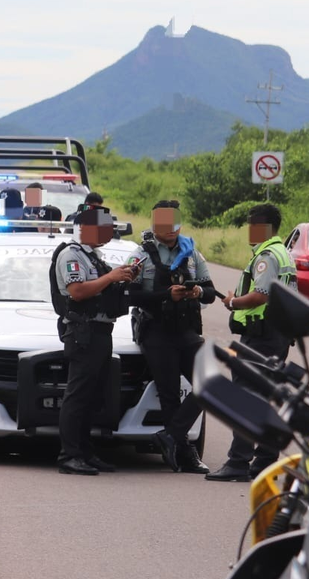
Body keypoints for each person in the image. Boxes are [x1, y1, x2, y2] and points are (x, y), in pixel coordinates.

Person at [206, 203, 298, 482]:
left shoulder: (267, 256)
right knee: (266, 396)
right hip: (277, 335)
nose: (250, 229)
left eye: (254, 224)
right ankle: (265, 460)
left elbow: (260, 295)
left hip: (262, 335)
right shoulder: (283, 252)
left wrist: (233, 302)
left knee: (245, 396)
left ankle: (238, 462)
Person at [128, 200, 214, 474]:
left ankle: (169, 436)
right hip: (155, 330)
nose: (171, 229)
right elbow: (130, 294)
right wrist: (167, 295)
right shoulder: (140, 255)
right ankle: (183, 453)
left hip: (186, 329)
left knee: (210, 385)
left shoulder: (192, 253)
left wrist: (197, 292)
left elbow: (211, 291)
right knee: (169, 395)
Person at [53, 205, 136, 475]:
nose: (108, 231)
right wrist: (111, 277)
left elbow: (102, 285)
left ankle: (86, 452)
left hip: (101, 332)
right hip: (83, 333)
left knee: (93, 396)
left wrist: (122, 275)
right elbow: (77, 291)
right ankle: (69, 455)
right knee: (77, 396)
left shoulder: (94, 257)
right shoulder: (71, 255)